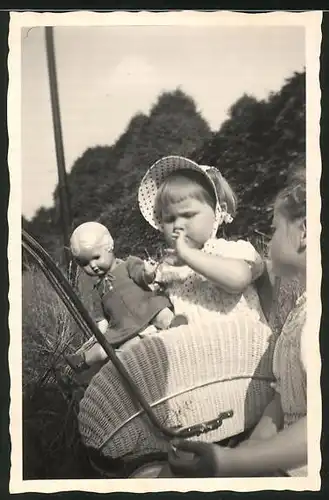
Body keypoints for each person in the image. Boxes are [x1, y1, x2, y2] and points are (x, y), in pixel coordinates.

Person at [168, 167, 307, 477]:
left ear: (306, 232)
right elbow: (284, 402)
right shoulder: (299, 315)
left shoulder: (313, 321)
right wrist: (248, 452)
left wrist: (231, 462)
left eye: (273, 229)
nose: (267, 242)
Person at [138, 155, 268, 328]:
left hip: (243, 341)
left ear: (218, 212)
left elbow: (239, 279)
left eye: (188, 215)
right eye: (169, 219)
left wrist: (189, 255)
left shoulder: (229, 251)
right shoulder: (167, 268)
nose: (178, 225)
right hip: (196, 349)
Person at [66, 221, 187, 372]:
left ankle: (175, 327)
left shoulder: (128, 264)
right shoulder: (97, 290)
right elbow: (100, 317)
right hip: (123, 327)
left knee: (161, 312)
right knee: (113, 350)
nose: (93, 266)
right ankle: (84, 360)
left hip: (146, 307)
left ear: (109, 248)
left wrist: (148, 273)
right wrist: (102, 331)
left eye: (96, 257)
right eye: (85, 263)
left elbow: (141, 276)